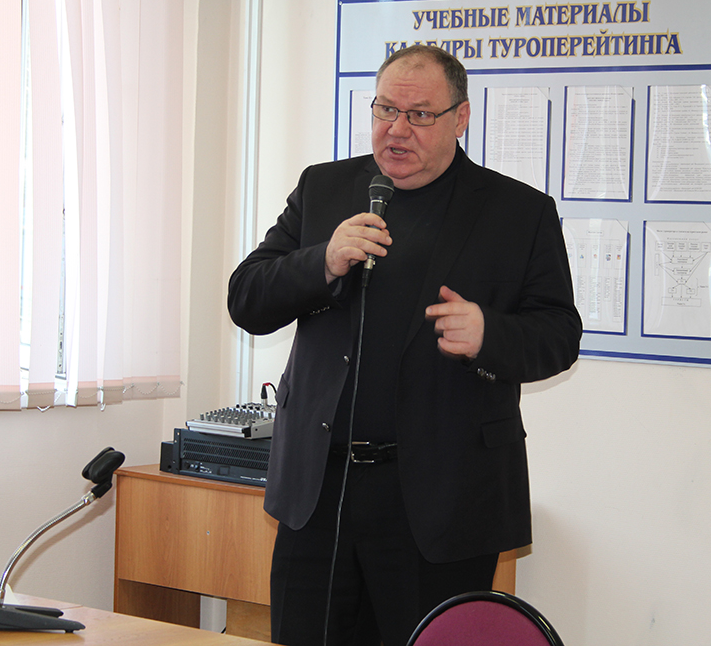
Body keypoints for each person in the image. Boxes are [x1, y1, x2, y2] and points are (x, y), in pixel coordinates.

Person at [227, 45, 582, 646]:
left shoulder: (518, 212)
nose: (396, 129)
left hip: (441, 504)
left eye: (419, 115)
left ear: (460, 118)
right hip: (321, 493)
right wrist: (321, 260)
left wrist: (489, 334)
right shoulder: (324, 188)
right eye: (385, 109)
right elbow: (247, 298)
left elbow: (559, 335)